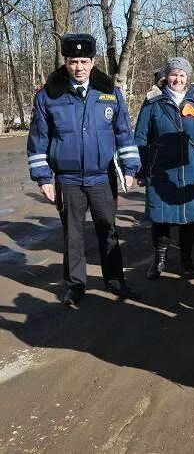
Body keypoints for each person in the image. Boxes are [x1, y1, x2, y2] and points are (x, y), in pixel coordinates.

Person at [26, 34, 141, 306]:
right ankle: (75, 286)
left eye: (84, 61)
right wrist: (43, 178)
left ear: (93, 62)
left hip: (102, 177)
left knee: (109, 231)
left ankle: (115, 281)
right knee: (73, 235)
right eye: (73, 61)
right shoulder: (48, 96)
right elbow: (38, 139)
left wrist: (130, 168)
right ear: (65, 62)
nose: (79, 67)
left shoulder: (110, 92)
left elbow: (124, 132)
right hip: (67, 180)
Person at [134, 57, 194, 280]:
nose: (177, 79)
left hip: (192, 168)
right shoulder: (153, 103)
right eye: (173, 74)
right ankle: (159, 260)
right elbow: (141, 135)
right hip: (161, 169)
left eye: (181, 75)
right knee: (161, 218)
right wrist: (140, 168)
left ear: (187, 78)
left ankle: (186, 261)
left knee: (189, 218)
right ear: (166, 77)